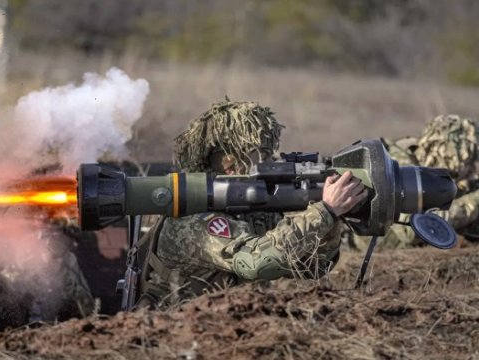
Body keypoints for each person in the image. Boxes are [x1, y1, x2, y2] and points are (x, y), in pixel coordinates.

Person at [133, 100, 368, 308]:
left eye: (267, 153)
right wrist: (324, 211)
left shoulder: (250, 211)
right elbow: (255, 262)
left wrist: (332, 218)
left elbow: (311, 267)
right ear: (229, 162)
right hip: (173, 334)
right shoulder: (193, 219)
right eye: (257, 153)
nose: (268, 161)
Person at [344, 114, 479, 251]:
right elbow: (412, 230)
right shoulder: (395, 167)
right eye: (471, 162)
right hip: (352, 247)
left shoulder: (424, 167)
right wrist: (474, 202)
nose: (472, 170)